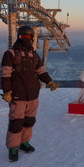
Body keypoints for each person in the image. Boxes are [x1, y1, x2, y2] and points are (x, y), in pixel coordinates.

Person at [1, 25, 60, 162]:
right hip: (17, 96)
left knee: (29, 121)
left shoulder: (34, 55)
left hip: (33, 95)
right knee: (16, 123)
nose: (26, 39)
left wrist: (50, 82)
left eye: (29, 37)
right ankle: (13, 147)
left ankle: (24, 142)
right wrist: (7, 91)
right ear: (19, 37)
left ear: (32, 38)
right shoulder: (10, 54)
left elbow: (41, 71)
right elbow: (5, 74)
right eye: (23, 36)